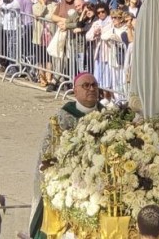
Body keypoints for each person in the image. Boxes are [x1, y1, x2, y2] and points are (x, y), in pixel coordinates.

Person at [30, 73, 102, 239]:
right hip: (71, 182)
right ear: (75, 91)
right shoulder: (62, 118)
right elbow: (48, 151)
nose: (91, 89)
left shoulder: (107, 114)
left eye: (94, 85)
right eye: (86, 86)